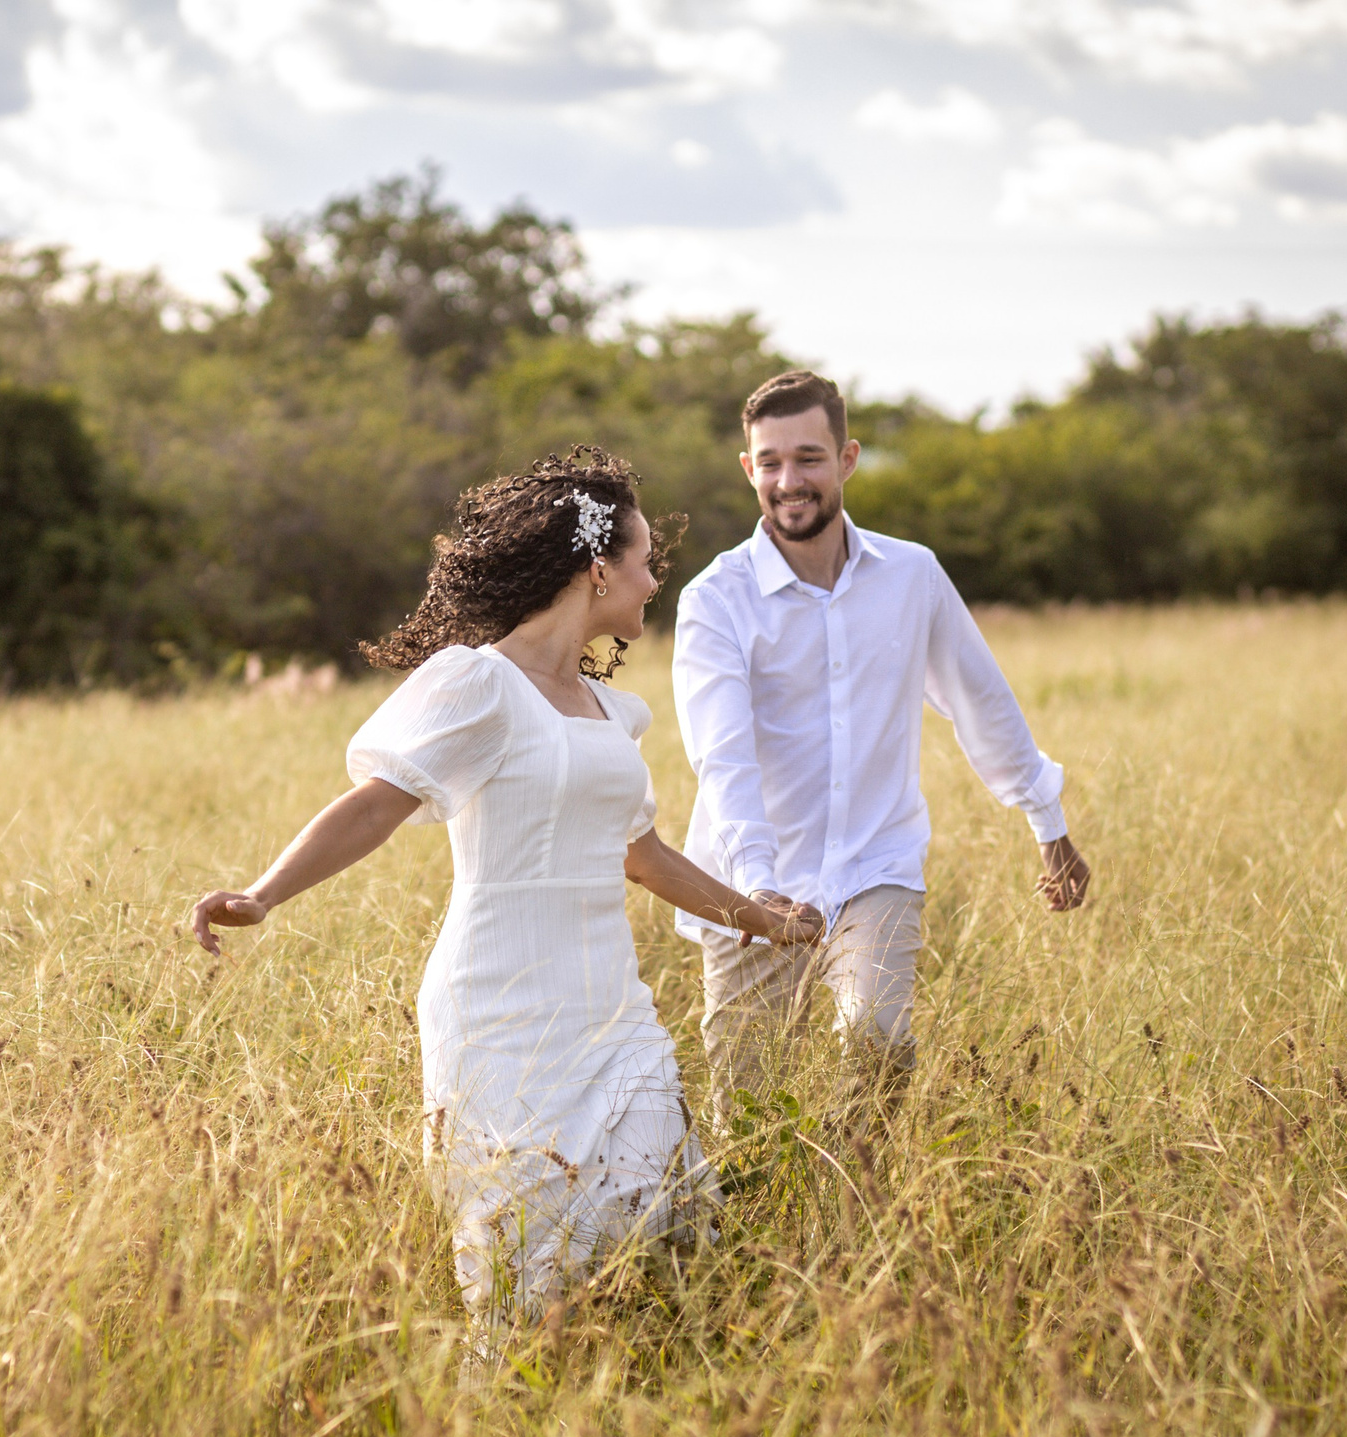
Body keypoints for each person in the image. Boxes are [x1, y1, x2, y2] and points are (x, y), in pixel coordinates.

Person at [190, 448, 822, 1337]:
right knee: (532, 1267)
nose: (652, 581)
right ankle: (518, 1418)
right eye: (644, 559)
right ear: (597, 567)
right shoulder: (478, 683)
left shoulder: (611, 711)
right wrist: (262, 894)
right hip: (501, 1007)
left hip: (612, 1008)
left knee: (670, 1218)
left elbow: (641, 855)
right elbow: (374, 808)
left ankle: (658, 1375)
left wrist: (762, 918)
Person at [672, 371, 1091, 1113]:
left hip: (876, 864)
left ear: (848, 458)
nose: (788, 480)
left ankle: (856, 1205)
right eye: (769, 462)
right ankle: (769, 1222)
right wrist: (758, 884)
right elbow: (722, 754)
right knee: (748, 1104)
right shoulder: (715, 598)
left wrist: (1046, 820)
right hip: (750, 887)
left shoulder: (912, 575)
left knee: (878, 1040)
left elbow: (979, 697)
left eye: (808, 458)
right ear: (748, 469)